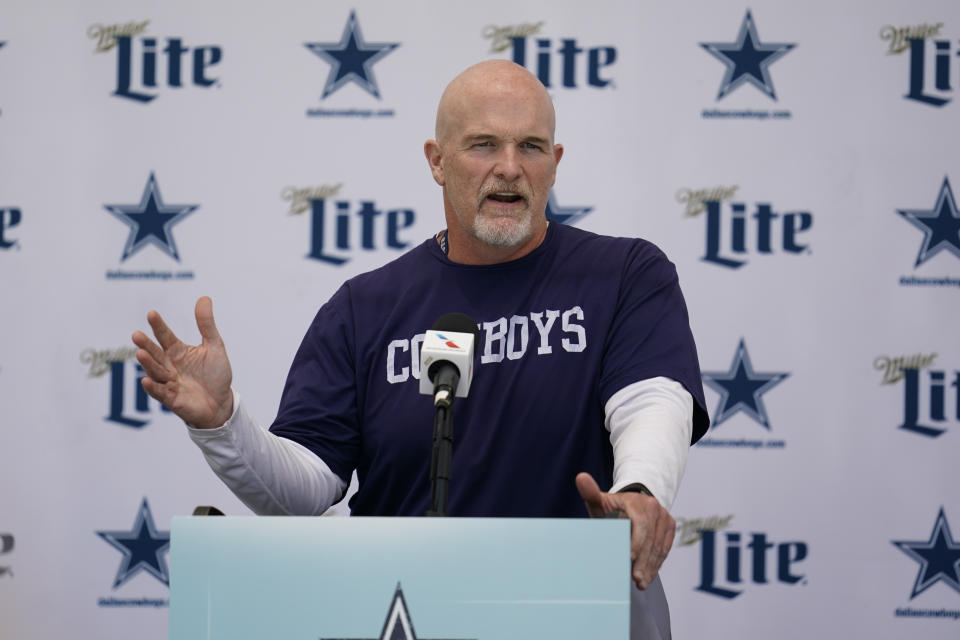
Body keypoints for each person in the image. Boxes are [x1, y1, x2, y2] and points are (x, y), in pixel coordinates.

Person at [132, 59, 708, 639]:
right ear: (437, 160)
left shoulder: (624, 274)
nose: (509, 169)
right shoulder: (364, 308)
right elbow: (304, 490)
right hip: (401, 615)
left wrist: (637, 493)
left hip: (575, 608)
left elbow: (652, 402)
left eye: (531, 147)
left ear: (554, 164)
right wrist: (223, 424)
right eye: (483, 145)